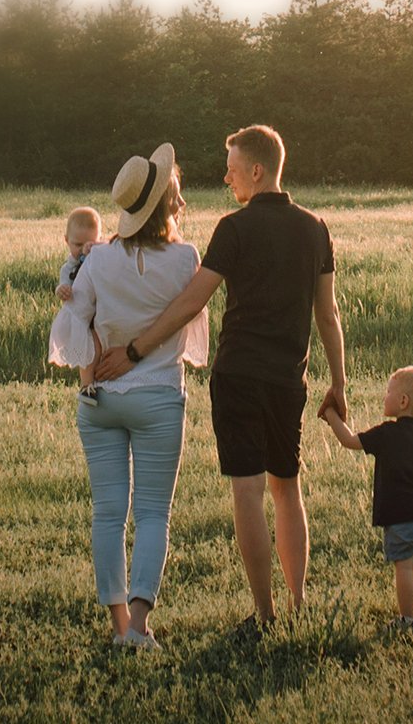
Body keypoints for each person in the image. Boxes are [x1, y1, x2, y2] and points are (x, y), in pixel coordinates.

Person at [96, 124, 346, 629]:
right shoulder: (316, 227)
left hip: (237, 376)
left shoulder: (234, 228)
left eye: (232, 170)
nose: (228, 178)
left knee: (247, 490)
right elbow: (328, 313)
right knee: (287, 487)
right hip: (287, 379)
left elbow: (193, 300)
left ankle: (265, 613)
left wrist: (136, 349)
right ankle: (298, 606)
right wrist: (338, 383)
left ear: (257, 170)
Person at [48, 143, 208, 650]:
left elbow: (77, 324)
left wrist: (93, 367)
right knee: (154, 512)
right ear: (164, 206)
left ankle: (119, 627)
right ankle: (139, 627)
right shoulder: (186, 259)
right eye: (176, 197)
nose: (181, 203)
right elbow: (190, 321)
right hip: (159, 397)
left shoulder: (97, 259)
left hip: (100, 401)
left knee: (107, 513)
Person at [321, 365, 413, 631]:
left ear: (403, 401)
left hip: (400, 517)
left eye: (389, 391)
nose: (384, 396)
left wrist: (331, 415)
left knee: (404, 567)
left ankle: (406, 619)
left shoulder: (386, 433)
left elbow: (350, 441)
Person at [53, 206, 103, 404]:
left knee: (101, 347)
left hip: (101, 312)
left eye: (90, 243)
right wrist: (62, 291)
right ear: (66, 240)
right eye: (77, 244)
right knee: (87, 350)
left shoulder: (100, 257)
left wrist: (97, 249)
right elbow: (63, 285)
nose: (83, 249)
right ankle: (87, 386)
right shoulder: (69, 268)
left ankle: (103, 381)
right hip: (82, 317)